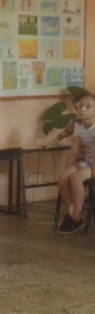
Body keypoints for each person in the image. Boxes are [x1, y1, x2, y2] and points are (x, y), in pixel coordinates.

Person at [57, 91, 95, 234]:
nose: (82, 109)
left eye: (88, 106)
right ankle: (72, 213)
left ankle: (76, 217)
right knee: (63, 177)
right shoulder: (78, 125)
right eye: (80, 106)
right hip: (88, 161)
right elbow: (74, 150)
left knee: (76, 178)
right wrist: (69, 167)